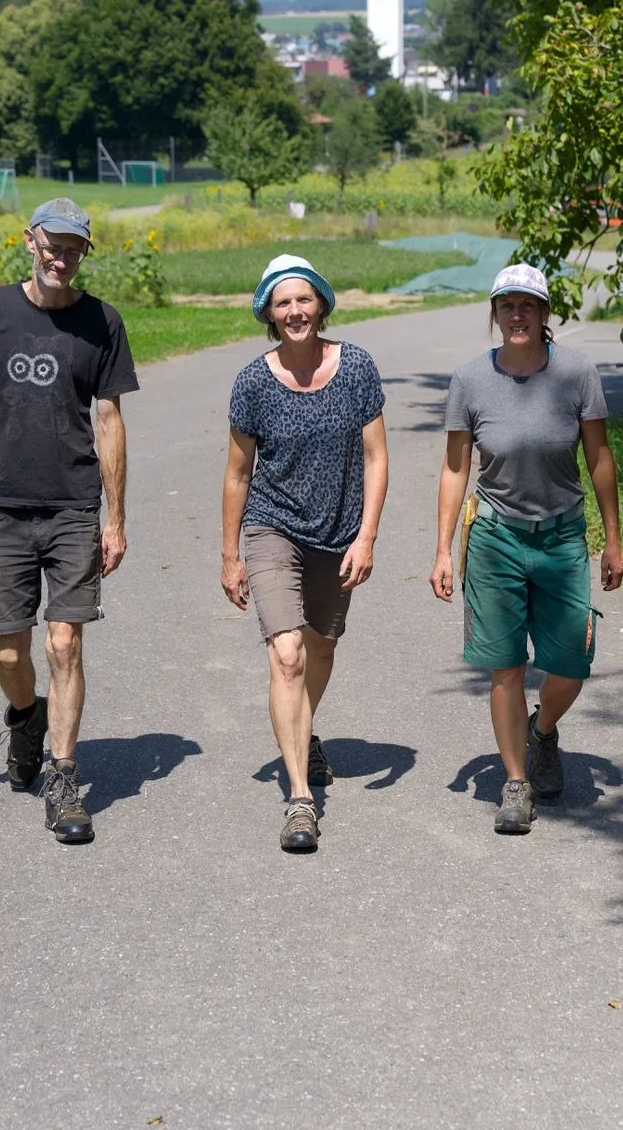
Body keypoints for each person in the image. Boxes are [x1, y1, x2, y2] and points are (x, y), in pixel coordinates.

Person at [0, 198, 139, 845]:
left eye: (74, 247)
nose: (62, 256)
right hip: (6, 510)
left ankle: (64, 776)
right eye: (53, 244)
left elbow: (108, 420)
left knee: (64, 644)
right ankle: (26, 717)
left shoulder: (102, 322)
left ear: (84, 253)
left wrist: (115, 517)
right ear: (30, 241)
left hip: (74, 508)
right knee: (10, 650)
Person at [429, 263, 623, 834]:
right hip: (495, 539)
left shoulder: (577, 374)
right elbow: (454, 467)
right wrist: (443, 549)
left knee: (570, 666)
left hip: (563, 538)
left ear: (544, 315)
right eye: (506, 305)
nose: (516, 315)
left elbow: (600, 457)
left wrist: (613, 540)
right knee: (506, 668)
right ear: (495, 314)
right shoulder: (470, 380)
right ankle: (516, 783)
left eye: (527, 305)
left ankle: (542, 732)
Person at [221, 254, 389, 852]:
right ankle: (299, 798)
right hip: (272, 528)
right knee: (287, 654)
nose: (295, 312)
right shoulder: (252, 382)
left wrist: (367, 534)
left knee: (321, 645)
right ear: (268, 312)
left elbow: (375, 458)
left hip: (339, 532)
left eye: (304, 300)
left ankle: (302, 729)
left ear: (321, 303)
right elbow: (238, 474)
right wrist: (230, 554)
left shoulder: (357, 368)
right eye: (282, 303)